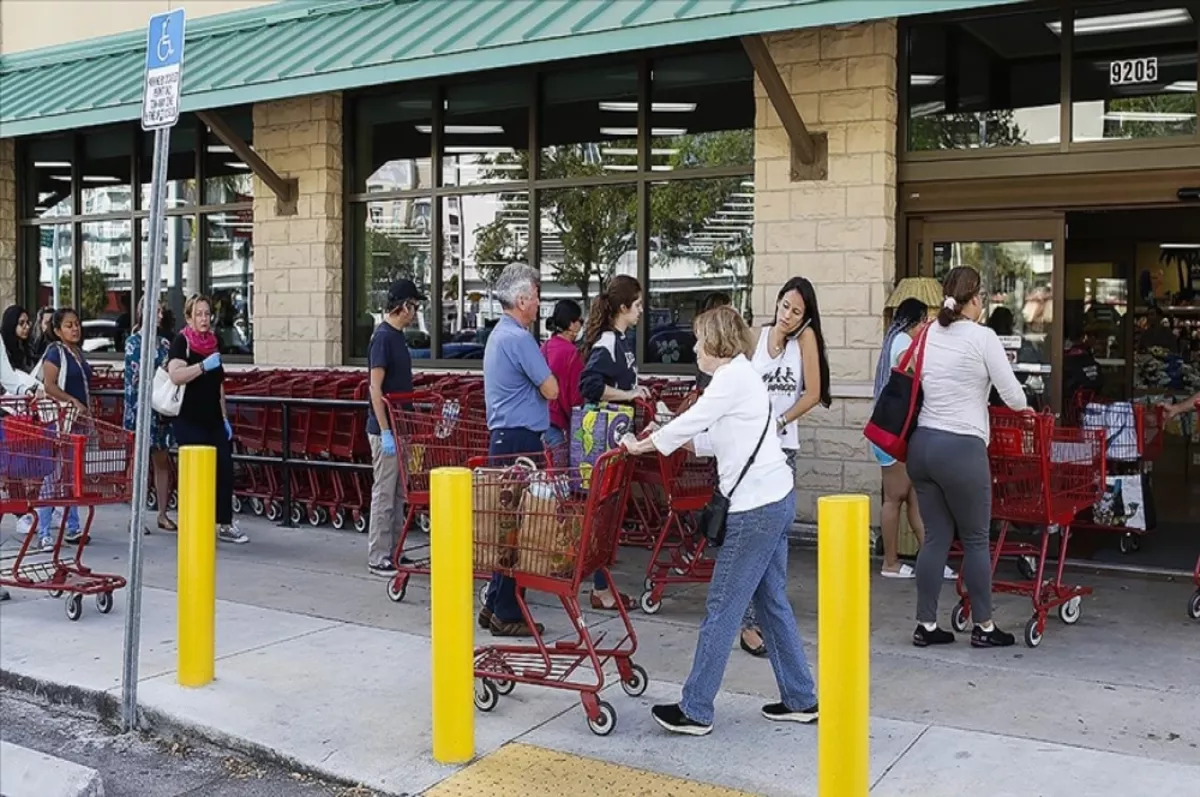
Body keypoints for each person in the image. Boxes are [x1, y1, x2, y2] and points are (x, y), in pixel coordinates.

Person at [622, 306, 818, 735]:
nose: (694, 347)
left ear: (715, 343)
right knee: (770, 601)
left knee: (722, 608)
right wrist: (669, 435)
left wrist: (645, 444)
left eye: (698, 340)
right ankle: (801, 698)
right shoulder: (742, 376)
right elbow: (712, 436)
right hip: (776, 497)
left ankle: (695, 709)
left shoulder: (729, 378)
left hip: (755, 509)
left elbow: (697, 421)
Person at [907, 267, 1027, 649]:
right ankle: (985, 627)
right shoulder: (983, 337)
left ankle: (925, 624)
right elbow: (1016, 398)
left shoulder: (927, 333)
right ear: (975, 299)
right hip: (962, 449)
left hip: (922, 446)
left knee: (935, 538)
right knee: (976, 540)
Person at [737, 277, 832, 656]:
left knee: (776, 538)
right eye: (785, 306)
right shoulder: (756, 338)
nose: (788, 316)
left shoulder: (804, 341)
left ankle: (763, 619)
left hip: (782, 451)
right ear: (776, 303)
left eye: (797, 311)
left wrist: (780, 420)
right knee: (750, 536)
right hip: (749, 451)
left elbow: (812, 393)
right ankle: (749, 622)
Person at [479, 263, 559, 637]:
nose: (540, 303)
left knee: (505, 525)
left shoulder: (500, 335)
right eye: (537, 296)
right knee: (518, 528)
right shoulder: (519, 339)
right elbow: (551, 389)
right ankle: (508, 608)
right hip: (520, 440)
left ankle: (496, 601)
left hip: (506, 437)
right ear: (522, 299)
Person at [578, 274, 647, 612]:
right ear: (622, 307)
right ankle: (599, 586)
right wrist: (629, 394)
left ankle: (602, 585)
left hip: (615, 436)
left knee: (608, 514)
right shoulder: (608, 342)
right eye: (637, 305)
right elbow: (589, 385)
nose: (641, 311)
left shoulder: (619, 341)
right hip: (604, 439)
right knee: (602, 514)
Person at [872, 298, 954, 581]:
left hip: (889, 431)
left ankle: (931, 559)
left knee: (913, 497)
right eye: (923, 322)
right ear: (915, 322)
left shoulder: (892, 339)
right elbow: (922, 376)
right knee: (895, 498)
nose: (924, 328)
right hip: (893, 433)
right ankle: (890, 563)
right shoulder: (903, 344)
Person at [166, 294, 248, 545]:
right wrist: (202, 367)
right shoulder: (182, 342)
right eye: (198, 314)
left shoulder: (214, 342)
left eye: (206, 313)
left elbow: (218, 384)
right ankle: (193, 523)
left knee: (224, 468)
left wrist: (224, 416)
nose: (204, 318)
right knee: (195, 472)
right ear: (189, 317)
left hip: (213, 416)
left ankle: (224, 522)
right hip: (189, 417)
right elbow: (176, 375)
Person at [365, 279, 423, 577]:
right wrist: (385, 430)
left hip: (402, 424)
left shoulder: (397, 336)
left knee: (399, 493)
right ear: (402, 305)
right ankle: (378, 554)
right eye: (413, 306)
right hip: (386, 427)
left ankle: (395, 551)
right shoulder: (383, 338)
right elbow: (375, 387)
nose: (415, 312)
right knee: (385, 492)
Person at [34, 308, 92, 549]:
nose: (75, 328)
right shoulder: (55, 353)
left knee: (70, 476)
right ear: (57, 330)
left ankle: (73, 527)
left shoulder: (77, 353)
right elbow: (49, 386)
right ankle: (44, 530)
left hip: (76, 423)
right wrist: (72, 401)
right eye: (69, 325)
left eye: (77, 324)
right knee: (54, 476)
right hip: (59, 423)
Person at [124, 303, 176, 533]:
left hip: (160, 409)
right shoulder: (133, 342)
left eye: (161, 311)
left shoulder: (165, 344)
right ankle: (136, 517)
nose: (159, 315)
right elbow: (136, 377)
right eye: (155, 310)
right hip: (140, 408)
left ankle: (163, 514)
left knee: (161, 461)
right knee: (139, 465)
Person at [540, 299, 584, 453]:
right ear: (572, 324)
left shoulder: (545, 347)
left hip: (538, 421)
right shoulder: (572, 353)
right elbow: (576, 398)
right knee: (560, 475)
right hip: (558, 425)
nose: (581, 325)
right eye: (580, 321)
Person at [1, 304, 37, 395]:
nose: (27, 327)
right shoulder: (6, 347)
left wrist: (24, 390)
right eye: (21, 323)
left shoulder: (29, 348)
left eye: (28, 322)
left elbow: (6, 376)